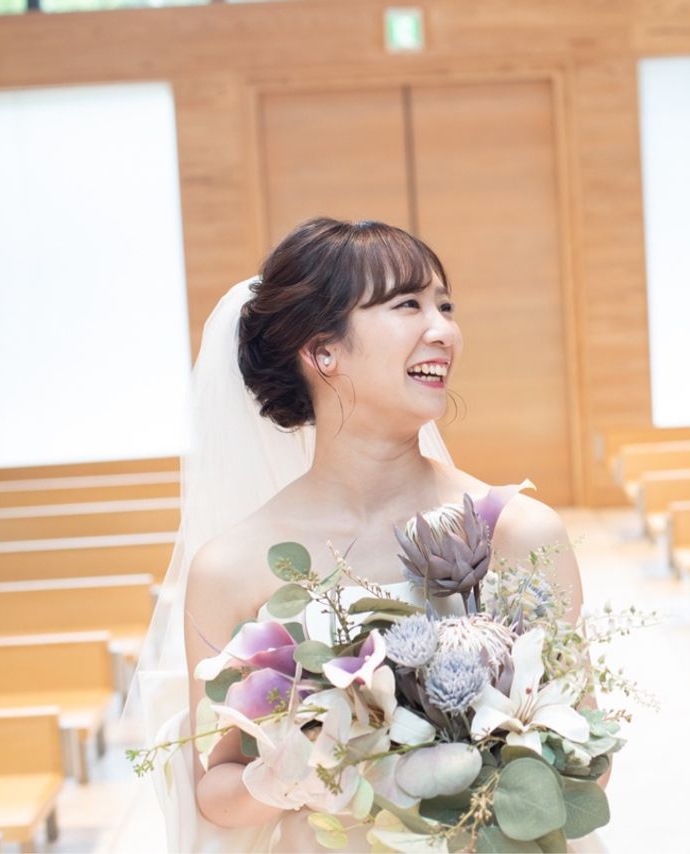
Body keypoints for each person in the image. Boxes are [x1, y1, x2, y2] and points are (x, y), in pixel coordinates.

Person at [140, 219, 586, 851]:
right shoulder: (232, 567)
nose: (444, 330)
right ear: (324, 352)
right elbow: (214, 790)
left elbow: (588, 760)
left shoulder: (518, 532)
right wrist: (285, 776)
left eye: (445, 306)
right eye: (408, 305)